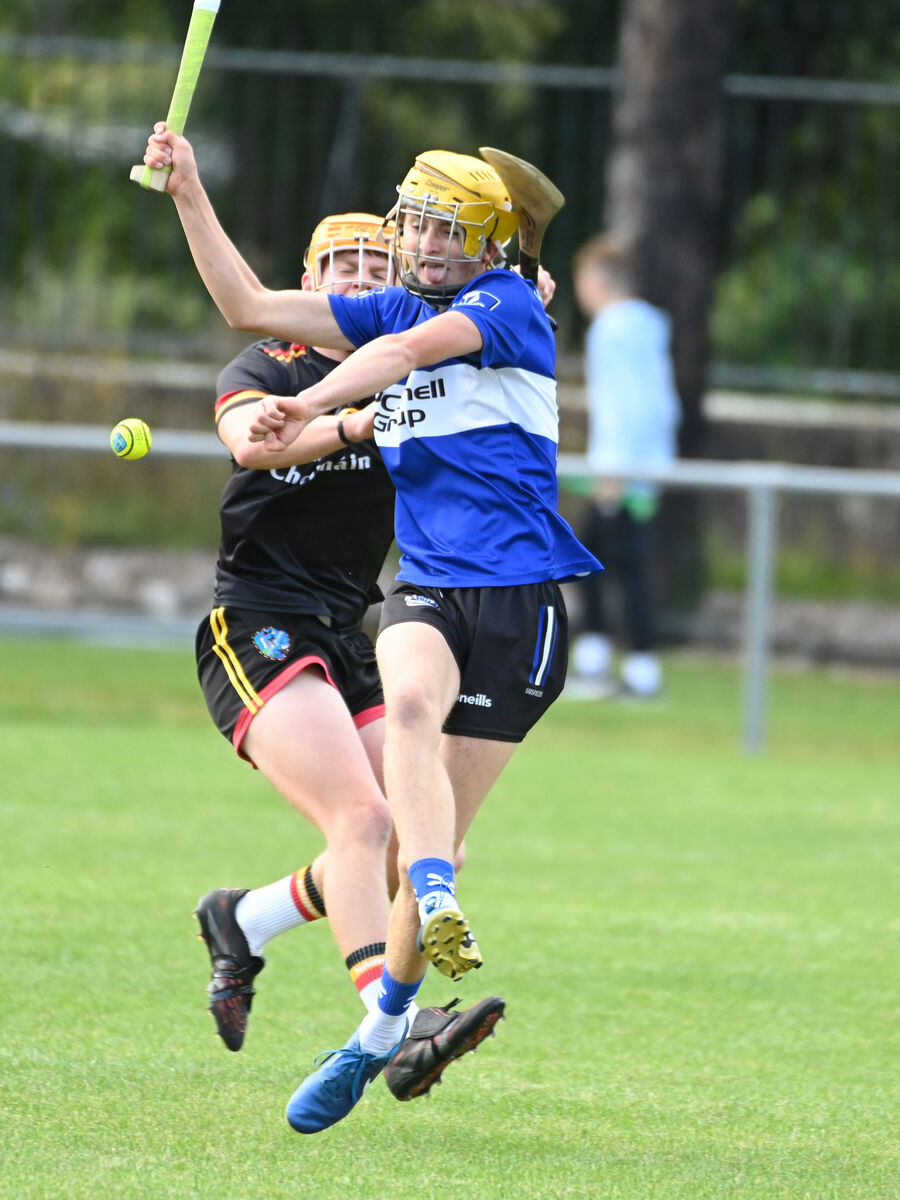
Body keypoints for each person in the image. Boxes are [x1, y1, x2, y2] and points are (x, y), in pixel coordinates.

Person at [140, 124, 602, 1134]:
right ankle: (430, 898)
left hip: (521, 603)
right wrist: (188, 191)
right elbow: (250, 305)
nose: (419, 246)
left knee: (413, 821)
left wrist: (307, 404)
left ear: (486, 244)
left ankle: (378, 1030)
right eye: (414, 227)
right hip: (408, 593)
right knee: (406, 722)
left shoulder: (503, 303)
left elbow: (397, 353)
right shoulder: (366, 315)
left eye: (444, 231)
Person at [193, 210, 504, 1104]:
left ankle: (244, 917)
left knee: (416, 836)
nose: (360, 272)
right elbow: (252, 438)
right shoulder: (269, 369)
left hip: (351, 628)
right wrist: (353, 426)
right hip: (257, 623)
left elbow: (496, 337)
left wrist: (528, 292)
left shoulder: (416, 354)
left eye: (378, 259)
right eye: (341, 260)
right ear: (310, 277)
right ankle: (395, 1024)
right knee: (364, 822)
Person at [563, 234, 681, 700]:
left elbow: (622, 406)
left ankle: (640, 670)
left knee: (624, 567)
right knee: (593, 555)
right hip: (648, 464)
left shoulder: (610, 329)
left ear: (595, 282)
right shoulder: (649, 326)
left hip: (621, 467)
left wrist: (611, 472)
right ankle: (597, 659)